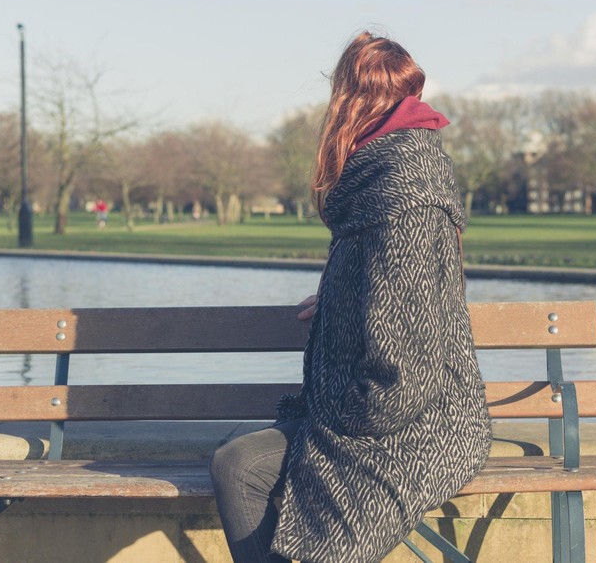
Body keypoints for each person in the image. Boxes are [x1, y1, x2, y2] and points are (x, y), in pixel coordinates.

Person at [210, 31, 493, 563]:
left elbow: (404, 375)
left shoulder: (400, 197)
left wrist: (337, 421)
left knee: (239, 469)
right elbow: (407, 298)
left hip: (411, 426)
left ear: (349, 102)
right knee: (237, 459)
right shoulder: (395, 176)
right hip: (403, 414)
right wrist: (343, 299)